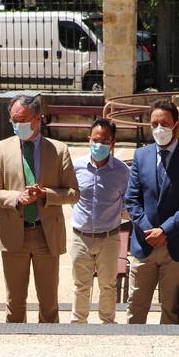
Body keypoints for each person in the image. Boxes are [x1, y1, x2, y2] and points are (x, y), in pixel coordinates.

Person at [0, 93, 79, 323]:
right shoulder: (1, 149)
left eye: (23, 120)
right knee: (15, 303)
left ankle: (48, 348)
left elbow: (73, 193)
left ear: (38, 119)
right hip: (14, 234)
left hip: (46, 235)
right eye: (13, 120)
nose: (18, 125)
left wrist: (45, 195)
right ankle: (14, 347)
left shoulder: (58, 150)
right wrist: (18, 197)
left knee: (49, 303)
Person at [126, 100, 179, 325]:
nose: (158, 129)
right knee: (135, 307)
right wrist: (149, 230)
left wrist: (165, 230)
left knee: (170, 309)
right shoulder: (141, 156)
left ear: (177, 125)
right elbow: (132, 199)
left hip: (176, 246)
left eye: (164, 123)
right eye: (154, 124)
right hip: (145, 244)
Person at [69, 117, 130, 324]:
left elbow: (127, 202)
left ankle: (107, 324)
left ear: (112, 143)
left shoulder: (122, 172)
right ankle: (78, 324)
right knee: (80, 285)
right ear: (89, 139)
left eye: (104, 141)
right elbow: (70, 196)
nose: (99, 145)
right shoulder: (75, 167)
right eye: (96, 140)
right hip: (81, 237)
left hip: (109, 237)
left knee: (108, 285)